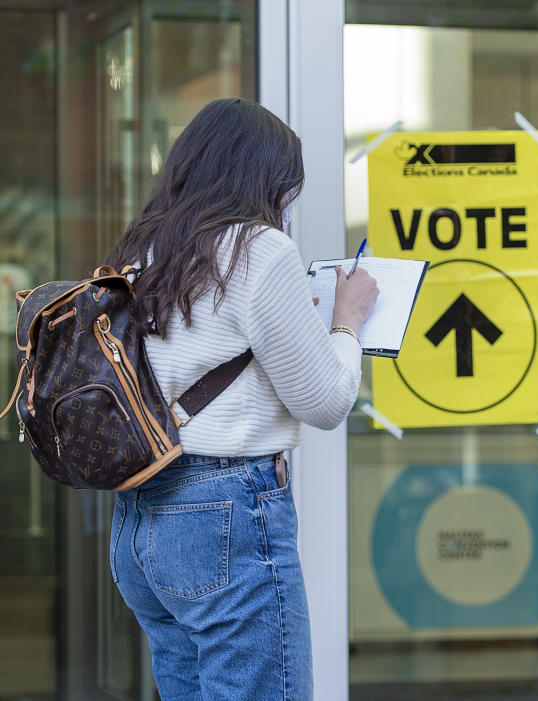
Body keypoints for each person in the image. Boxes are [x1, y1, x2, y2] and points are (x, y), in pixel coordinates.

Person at [105, 98, 378, 699]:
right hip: (225, 516)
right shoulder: (259, 249)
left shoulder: (140, 252)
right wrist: (347, 322)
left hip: (141, 521)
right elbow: (326, 402)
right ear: (263, 178)